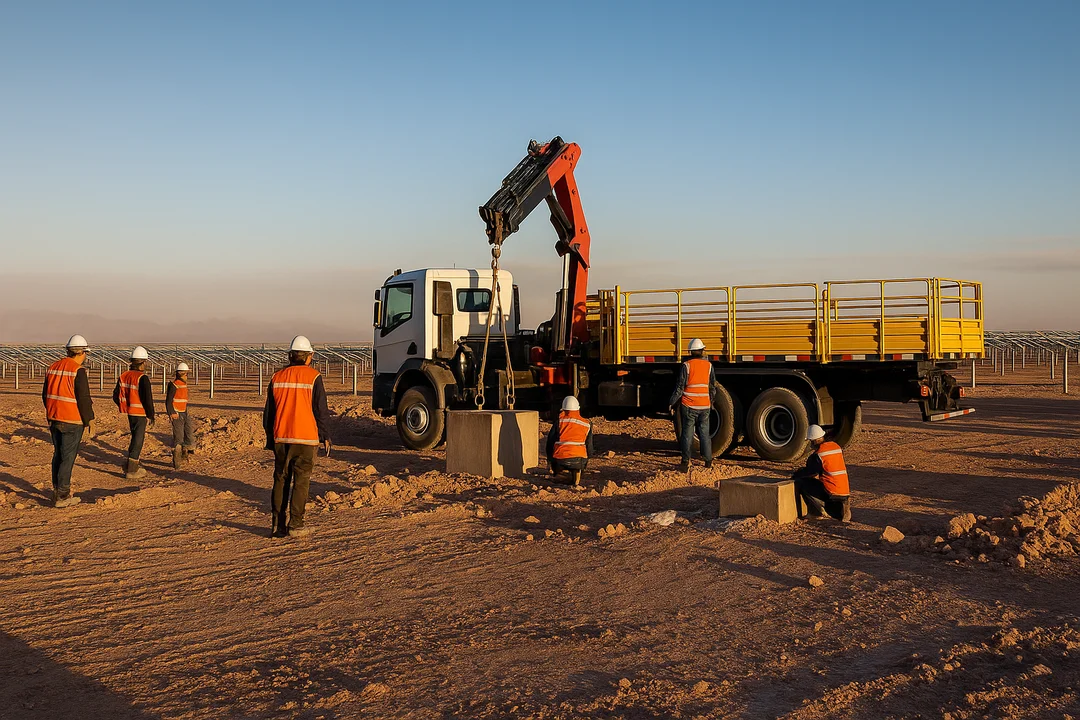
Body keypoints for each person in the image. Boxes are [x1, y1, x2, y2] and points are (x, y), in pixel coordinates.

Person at [262, 335, 331, 538]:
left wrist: (270, 438)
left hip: (281, 438)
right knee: (301, 482)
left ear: (291, 356)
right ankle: (296, 524)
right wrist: (325, 435)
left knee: (280, 480)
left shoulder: (277, 377)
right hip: (306, 439)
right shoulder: (313, 377)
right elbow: (321, 410)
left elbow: (269, 413)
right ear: (309, 356)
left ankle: (277, 526)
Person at [42, 334, 96, 507]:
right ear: (82, 353)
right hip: (72, 420)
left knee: (58, 455)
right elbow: (83, 398)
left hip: (54, 418)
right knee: (68, 457)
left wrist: (51, 410)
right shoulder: (77, 370)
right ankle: (63, 496)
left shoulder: (52, 367)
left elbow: (45, 394)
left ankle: (57, 491)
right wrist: (90, 420)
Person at [669, 338, 716, 472]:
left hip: (689, 406)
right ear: (702, 351)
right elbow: (712, 387)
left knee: (687, 434)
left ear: (690, 352)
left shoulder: (686, 366)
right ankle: (708, 462)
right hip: (704, 406)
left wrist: (672, 402)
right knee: (704, 434)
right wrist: (711, 402)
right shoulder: (709, 366)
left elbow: (680, 387)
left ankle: (685, 462)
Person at [113, 346, 155, 480]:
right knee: (138, 438)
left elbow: (116, 396)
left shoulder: (124, 376)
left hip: (130, 412)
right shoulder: (142, 378)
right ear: (142, 362)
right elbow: (147, 399)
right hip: (140, 413)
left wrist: (125, 404)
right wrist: (151, 414)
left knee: (134, 436)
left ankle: (132, 462)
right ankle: (132, 469)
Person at [793, 424, 852, 522]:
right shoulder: (835, 446)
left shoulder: (819, 454)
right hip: (844, 492)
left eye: (810, 441)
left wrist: (796, 475)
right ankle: (842, 510)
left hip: (832, 493)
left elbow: (809, 473)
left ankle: (815, 513)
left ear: (814, 440)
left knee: (802, 482)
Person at [546, 396, 593, 485]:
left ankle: (560, 473)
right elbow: (589, 446)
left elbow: (550, 442)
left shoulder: (559, 422)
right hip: (579, 460)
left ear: (563, 409)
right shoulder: (587, 424)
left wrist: (550, 459)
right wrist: (586, 461)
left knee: (558, 464)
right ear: (578, 409)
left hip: (560, 459)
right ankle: (577, 471)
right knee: (579, 460)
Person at [166, 362, 196, 469]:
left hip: (184, 412)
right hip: (177, 413)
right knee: (178, 437)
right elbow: (168, 400)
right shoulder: (174, 384)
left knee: (188, 432)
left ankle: (185, 454)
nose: (187, 376)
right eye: (186, 374)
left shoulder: (183, 384)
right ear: (182, 374)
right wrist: (171, 413)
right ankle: (177, 461)